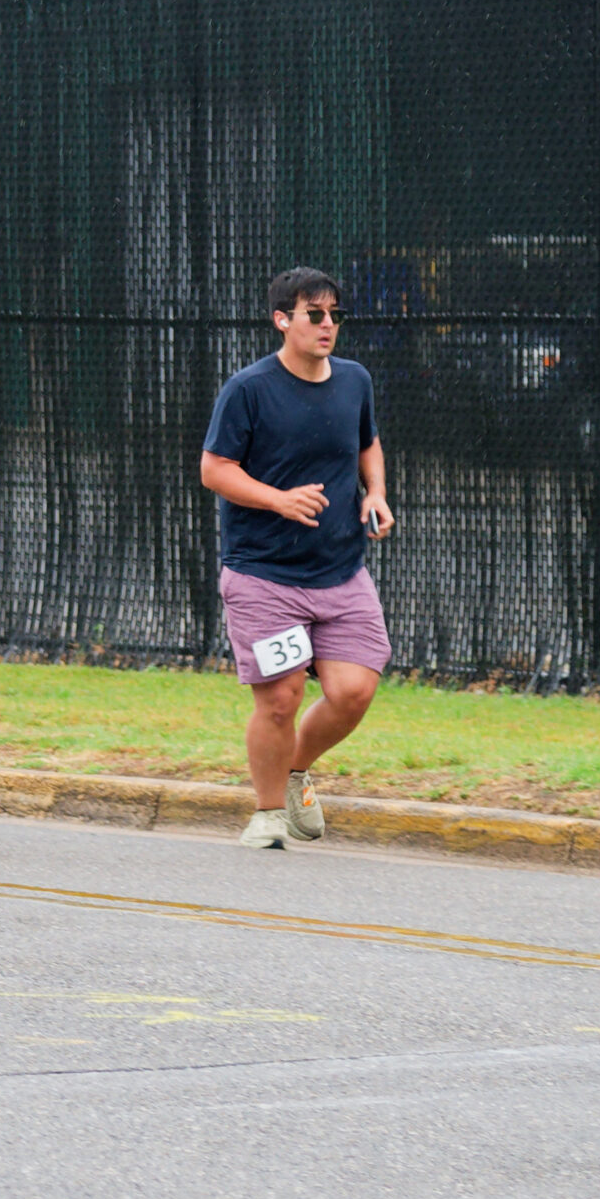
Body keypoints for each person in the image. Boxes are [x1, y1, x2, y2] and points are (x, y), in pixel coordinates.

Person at [200, 265, 395, 849]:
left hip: (340, 571)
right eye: (315, 314)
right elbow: (215, 469)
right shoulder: (249, 389)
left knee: (355, 690)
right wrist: (278, 500)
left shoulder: (354, 380)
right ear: (283, 320)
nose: (328, 324)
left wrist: (376, 493)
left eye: (334, 314)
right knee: (281, 697)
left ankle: (292, 773)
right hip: (265, 575)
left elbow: (368, 444)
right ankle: (266, 813)